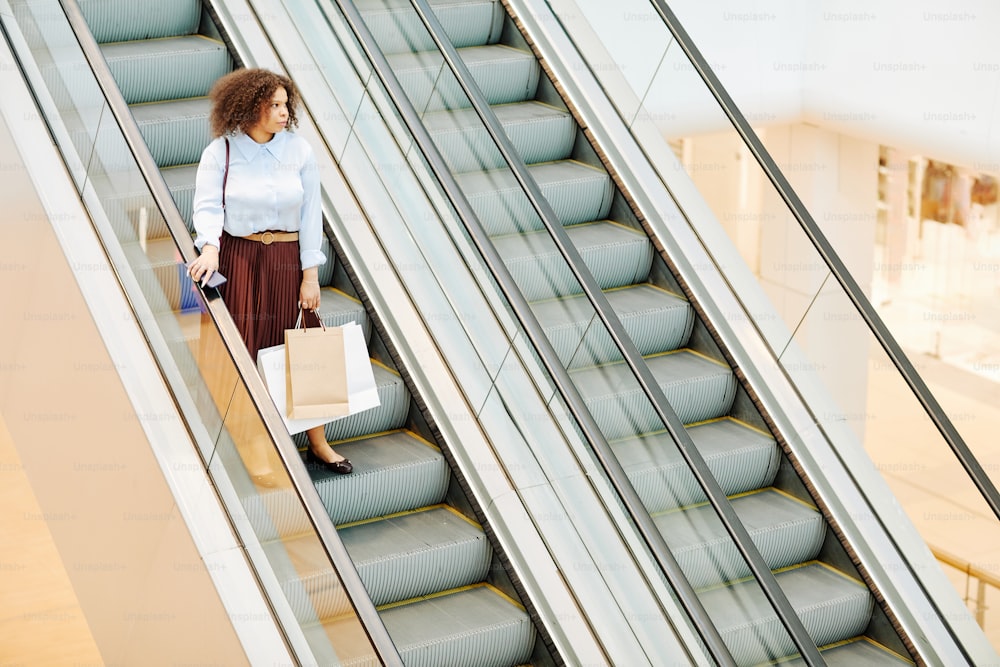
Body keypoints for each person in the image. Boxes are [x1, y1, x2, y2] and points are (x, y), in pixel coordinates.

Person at [187, 68, 352, 476]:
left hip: (285, 257)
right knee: (246, 346)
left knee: (294, 345)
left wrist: (310, 274)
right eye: (273, 105)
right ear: (248, 108)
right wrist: (210, 246)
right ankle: (254, 439)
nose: (283, 113)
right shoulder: (221, 153)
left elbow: (311, 214)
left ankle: (318, 441)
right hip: (239, 258)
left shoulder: (299, 152)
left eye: (285, 104)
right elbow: (208, 205)